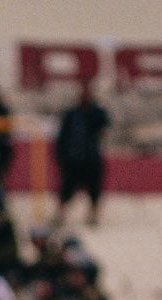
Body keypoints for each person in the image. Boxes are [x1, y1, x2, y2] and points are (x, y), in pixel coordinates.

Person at [53, 84, 109, 228]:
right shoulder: (71, 114)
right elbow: (62, 137)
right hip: (73, 159)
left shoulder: (96, 113)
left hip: (91, 159)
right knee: (67, 189)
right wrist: (61, 156)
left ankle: (93, 215)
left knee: (94, 190)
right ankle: (60, 215)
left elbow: (104, 125)